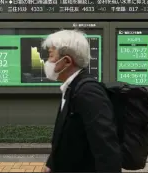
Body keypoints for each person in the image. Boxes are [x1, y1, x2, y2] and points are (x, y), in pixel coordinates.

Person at [42, 29, 121, 173]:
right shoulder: (72, 87)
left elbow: (106, 148)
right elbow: (65, 136)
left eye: (50, 55)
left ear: (66, 61)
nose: (47, 62)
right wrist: (52, 164)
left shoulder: (88, 91)